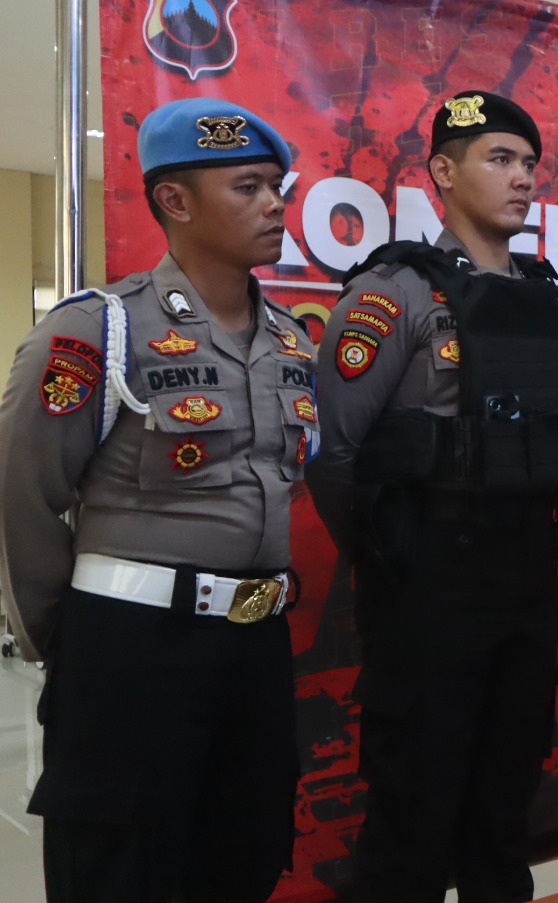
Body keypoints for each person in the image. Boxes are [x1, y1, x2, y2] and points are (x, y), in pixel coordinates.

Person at [0, 98, 306, 901]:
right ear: (175, 199)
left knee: (243, 855)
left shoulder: (291, 341)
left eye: (277, 187)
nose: (275, 205)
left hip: (256, 645)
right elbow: (20, 492)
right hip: (134, 648)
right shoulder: (98, 330)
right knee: (122, 870)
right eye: (248, 186)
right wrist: (75, 641)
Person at [306, 90, 558, 903]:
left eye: (529, 163)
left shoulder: (542, 293)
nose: (523, 177)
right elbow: (333, 449)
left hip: (525, 580)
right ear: (443, 171)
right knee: (413, 819)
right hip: (428, 584)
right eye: (500, 159)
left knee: (505, 811)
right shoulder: (395, 291)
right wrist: (386, 553)